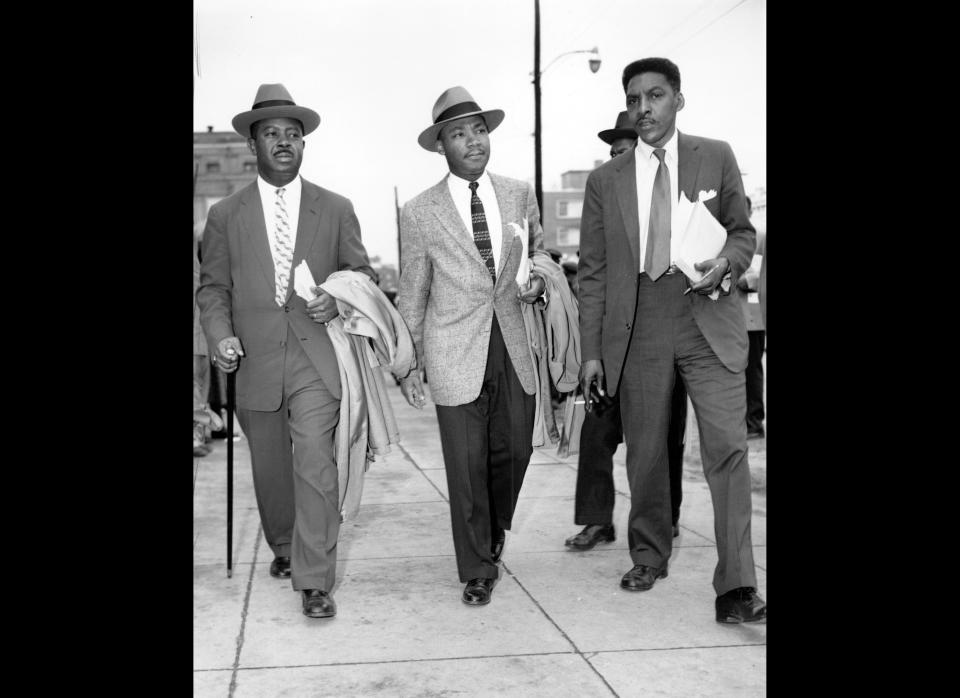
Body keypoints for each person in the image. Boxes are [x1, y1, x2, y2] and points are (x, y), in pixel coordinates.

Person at [578, 58, 766, 624]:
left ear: (678, 100)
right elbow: (592, 272)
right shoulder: (603, 181)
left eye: (655, 96)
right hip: (640, 323)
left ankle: (737, 586)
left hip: (708, 314)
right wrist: (591, 352)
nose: (644, 108)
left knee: (727, 452)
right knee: (648, 452)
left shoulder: (717, 155)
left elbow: (743, 232)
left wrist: (726, 265)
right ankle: (649, 554)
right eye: (635, 99)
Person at [197, 83, 375, 619]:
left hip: (317, 353)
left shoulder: (336, 208)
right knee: (272, 471)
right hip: (251, 358)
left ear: (304, 145)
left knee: (317, 464)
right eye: (271, 133)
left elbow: (361, 274)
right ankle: (283, 546)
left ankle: (315, 578)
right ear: (253, 145)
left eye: (292, 134)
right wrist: (219, 336)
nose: (283, 142)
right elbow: (212, 290)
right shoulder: (225, 214)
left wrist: (336, 301)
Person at [397, 86, 545, 607]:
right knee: (465, 464)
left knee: (517, 449)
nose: (473, 141)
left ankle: (493, 524)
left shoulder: (519, 193)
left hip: (512, 341)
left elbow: (540, 255)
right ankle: (477, 566)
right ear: (442, 145)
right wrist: (407, 361)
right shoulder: (419, 212)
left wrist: (539, 282)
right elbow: (412, 291)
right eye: (459, 134)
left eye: (479, 130)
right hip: (452, 347)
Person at [564, 112, 687, 551]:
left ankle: (665, 515)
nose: (621, 157)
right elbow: (590, 275)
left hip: (662, 335)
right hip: (615, 341)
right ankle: (597, 520)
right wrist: (590, 349)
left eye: (628, 149)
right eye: (615, 151)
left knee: (662, 436)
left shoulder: (667, 201)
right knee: (596, 431)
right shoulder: (605, 196)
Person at [737, 196, 766, 439]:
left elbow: (754, 277)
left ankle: (754, 423)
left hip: (753, 317)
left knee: (752, 371)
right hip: (733, 317)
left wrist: (736, 278)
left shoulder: (759, 237)